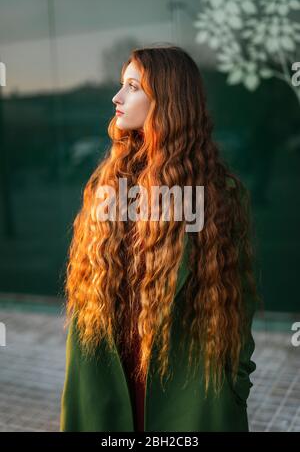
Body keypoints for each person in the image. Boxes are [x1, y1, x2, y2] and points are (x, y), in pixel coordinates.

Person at [60, 44, 261, 432]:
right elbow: (87, 294)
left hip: (187, 388)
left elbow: (240, 304)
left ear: (167, 100)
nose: (117, 97)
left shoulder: (217, 194)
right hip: (110, 374)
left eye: (132, 86)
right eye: (122, 85)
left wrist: (237, 385)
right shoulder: (109, 182)